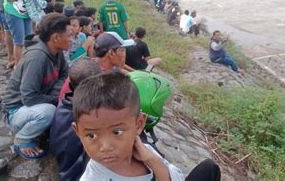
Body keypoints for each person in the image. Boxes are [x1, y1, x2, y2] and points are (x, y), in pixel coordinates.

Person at [72, 73, 221, 181]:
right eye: (92, 135)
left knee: (210, 168)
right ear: (78, 132)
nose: (105, 147)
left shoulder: (144, 152)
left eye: (116, 132)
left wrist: (153, 160)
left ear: (139, 124)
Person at [2, 13, 71, 159]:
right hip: (16, 111)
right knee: (50, 111)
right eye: (69, 35)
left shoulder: (56, 50)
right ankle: (22, 139)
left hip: (37, 103)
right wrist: (56, 97)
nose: (71, 40)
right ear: (56, 38)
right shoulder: (37, 58)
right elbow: (29, 97)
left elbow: (65, 74)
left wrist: (56, 92)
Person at [49, 58, 101, 181]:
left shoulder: (65, 104)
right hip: (75, 174)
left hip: (63, 166)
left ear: (71, 86)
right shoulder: (87, 115)